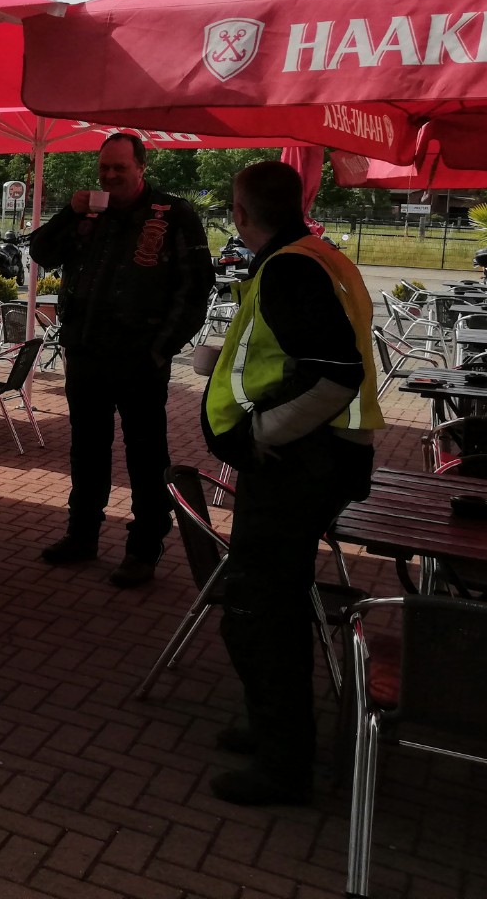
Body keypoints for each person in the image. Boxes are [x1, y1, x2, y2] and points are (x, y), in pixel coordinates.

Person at [202, 160, 380, 806]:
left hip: (297, 468)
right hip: (321, 462)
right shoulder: (320, 257)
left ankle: (284, 765)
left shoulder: (290, 268)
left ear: (239, 213)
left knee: (262, 615)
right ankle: (269, 729)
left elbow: (336, 374)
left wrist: (261, 433)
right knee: (267, 605)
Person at [29, 132, 212, 587]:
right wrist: (69, 213)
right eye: (104, 168)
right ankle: (81, 534)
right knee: (86, 449)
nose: (109, 176)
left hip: (139, 360)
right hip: (86, 351)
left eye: (119, 168)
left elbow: (195, 288)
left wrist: (160, 349)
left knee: (145, 456)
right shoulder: (90, 211)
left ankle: (144, 548)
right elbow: (41, 252)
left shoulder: (173, 214)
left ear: (141, 168)